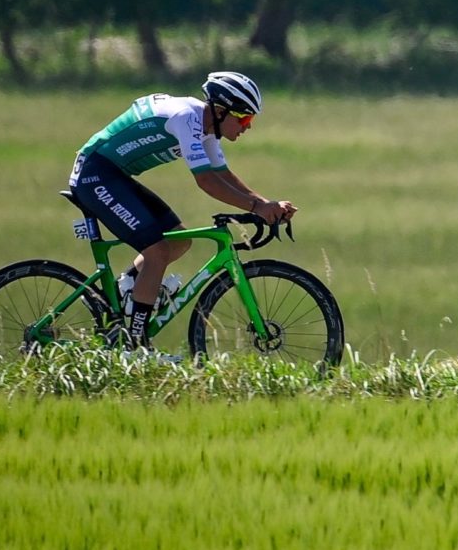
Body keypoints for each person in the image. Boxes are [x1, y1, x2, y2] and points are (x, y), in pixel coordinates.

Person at [64, 70, 294, 347]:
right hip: (94, 175)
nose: (248, 126)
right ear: (221, 111)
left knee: (180, 240)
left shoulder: (207, 127)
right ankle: (136, 347)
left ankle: (129, 289)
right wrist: (258, 207)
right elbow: (206, 181)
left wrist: (266, 204)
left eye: (251, 119)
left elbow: (223, 174)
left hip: (113, 175)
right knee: (157, 252)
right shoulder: (186, 118)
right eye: (244, 118)